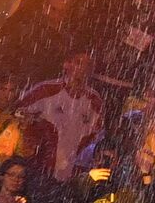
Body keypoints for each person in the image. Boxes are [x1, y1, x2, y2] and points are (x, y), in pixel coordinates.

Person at [17, 50, 103, 183]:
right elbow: (16, 114)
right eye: (79, 63)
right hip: (41, 170)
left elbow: (98, 135)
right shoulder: (47, 89)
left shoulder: (95, 100)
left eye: (88, 65)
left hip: (73, 175)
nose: (83, 69)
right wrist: (35, 127)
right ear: (66, 65)